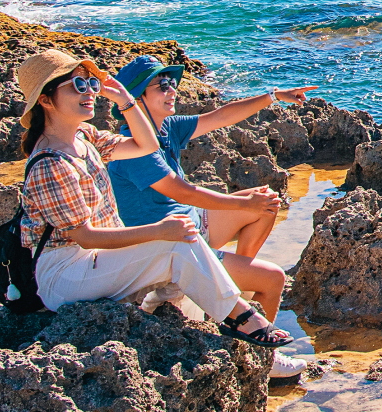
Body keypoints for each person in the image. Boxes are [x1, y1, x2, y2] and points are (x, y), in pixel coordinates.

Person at [13, 47, 291, 353]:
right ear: (45, 100)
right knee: (178, 240)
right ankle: (240, 318)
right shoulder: (50, 164)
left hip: (94, 260)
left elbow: (146, 145)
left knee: (183, 239)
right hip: (65, 275)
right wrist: (160, 232)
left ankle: (229, 324)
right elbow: (83, 235)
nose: (90, 92)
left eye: (92, 84)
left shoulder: (85, 138)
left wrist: (126, 101)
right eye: (78, 85)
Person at [105, 54, 315, 330]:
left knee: (266, 202)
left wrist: (274, 95)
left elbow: (222, 116)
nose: (172, 90)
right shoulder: (132, 148)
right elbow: (183, 193)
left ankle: (235, 290)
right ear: (137, 98)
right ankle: (260, 352)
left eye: (171, 83)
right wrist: (241, 205)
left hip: (191, 226)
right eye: (162, 86)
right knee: (273, 278)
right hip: (169, 248)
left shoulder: (167, 128)